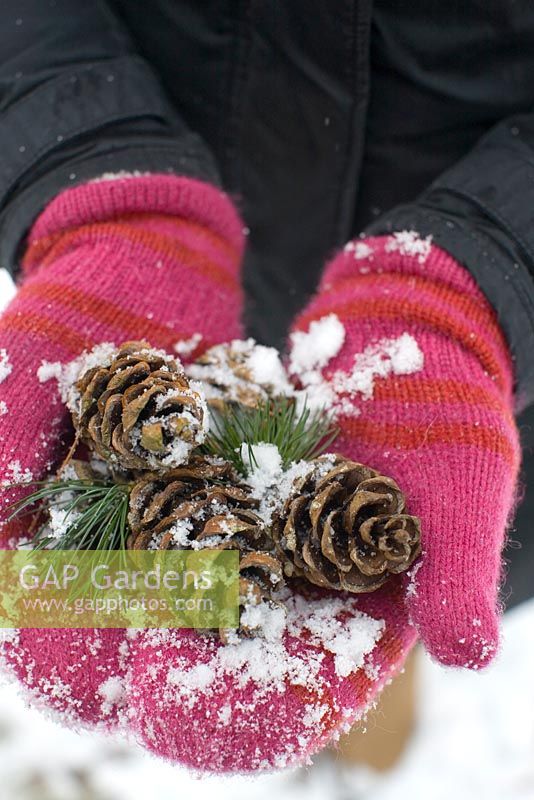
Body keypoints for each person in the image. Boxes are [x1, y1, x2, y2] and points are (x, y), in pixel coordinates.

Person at [0, 0, 532, 774]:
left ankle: (384, 719)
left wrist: (491, 267)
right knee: (390, 558)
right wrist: (91, 161)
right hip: (171, 122)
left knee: (424, 552)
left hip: (476, 365)